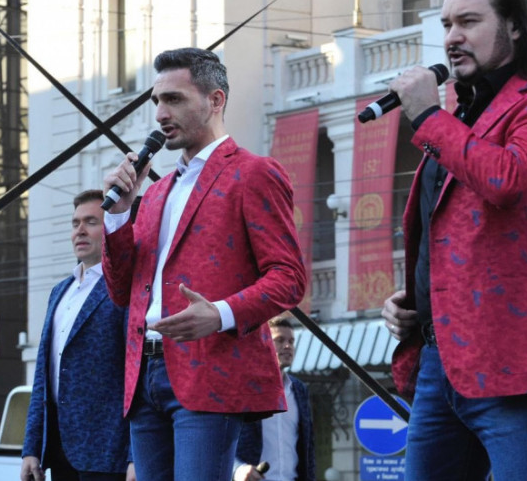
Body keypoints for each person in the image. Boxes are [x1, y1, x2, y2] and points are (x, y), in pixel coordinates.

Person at [379, 0, 527, 480]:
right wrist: (416, 302)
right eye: (447, 24)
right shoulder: (461, 119)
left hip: (516, 362)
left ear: (514, 25)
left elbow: (508, 179)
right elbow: (449, 234)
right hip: (439, 365)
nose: (452, 37)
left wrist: (429, 117)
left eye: (469, 22)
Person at [102, 47, 307, 481]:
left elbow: (289, 277)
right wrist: (118, 215)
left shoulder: (253, 173)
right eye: (157, 101)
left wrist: (220, 314)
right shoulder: (154, 194)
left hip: (209, 370)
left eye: (174, 99)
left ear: (215, 100)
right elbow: (121, 292)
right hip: (144, 376)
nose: (160, 114)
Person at [20, 190, 134, 481]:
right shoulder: (60, 292)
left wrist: (136, 454)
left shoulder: (125, 288)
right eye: (75, 223)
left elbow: (138, 375)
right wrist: (31, 448)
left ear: (113, 228)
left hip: (108, 454)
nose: (79, 230)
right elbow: (43, 378)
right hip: (59, 450)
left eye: (91, 222)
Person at [234, 316, 314, 481]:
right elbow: (219, 440)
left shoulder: (299, 390)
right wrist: (237, 470)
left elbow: (308, 448)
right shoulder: (241, 386)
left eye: (291, 341)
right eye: (280, 340)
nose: (288, 346)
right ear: (261, 343)